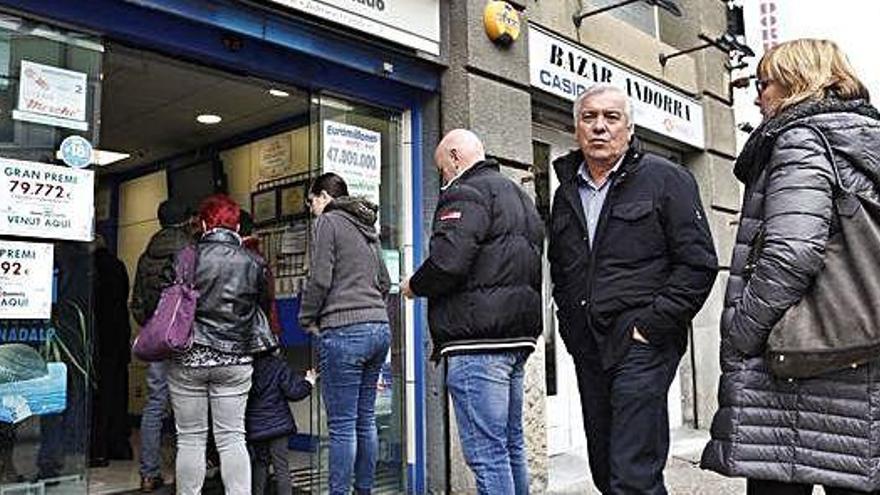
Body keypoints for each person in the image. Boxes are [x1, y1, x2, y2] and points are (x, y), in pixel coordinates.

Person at [700, 39, 880, 495]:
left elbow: (791, 252)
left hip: (798, 364)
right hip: (862, 349)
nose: (757, 96)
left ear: (797, 82)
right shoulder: (864, 140)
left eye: (763, 83)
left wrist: (741, 334)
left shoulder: (802, 139)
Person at [548, 84, 717, 494]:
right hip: (589, 347)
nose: (600, 127)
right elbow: (562, 269)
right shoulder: (566, 192)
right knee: (605, 469)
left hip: (642, 345)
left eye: (611, 118)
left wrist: (651, 328)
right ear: (576, 129)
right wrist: (570, 329)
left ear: (629, 128)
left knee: (633, 473)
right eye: (589, 118)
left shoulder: (666, 179)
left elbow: (698, 264)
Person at [401, 129, 545, 495]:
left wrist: (413, 286)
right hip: (515, 338)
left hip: (477, 342)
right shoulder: (519, 197)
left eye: (441, 170)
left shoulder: (466, 191)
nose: (443, 179)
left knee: (486, 455)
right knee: (509, 447)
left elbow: (449, 262)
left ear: (454, 157)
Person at [167, 194, 277, 495]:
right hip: (235, 358)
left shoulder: (186, 256)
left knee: (190, 439)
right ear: (237, 225)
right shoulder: (253, 261)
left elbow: (164, 304)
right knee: (232, 438)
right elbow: (263, 307)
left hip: (189, 357)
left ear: (203, 224)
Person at [299, 172, 391, 495]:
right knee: (365, 420)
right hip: (379, 329)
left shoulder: (329, 221)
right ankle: (363, 491)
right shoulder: (368, 227)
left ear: (323, 196)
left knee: (341, 427)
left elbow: (320, 278)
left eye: (311, 201)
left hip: (345, 331)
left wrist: (307, 317)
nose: (311, 208)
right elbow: (384, 281)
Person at [129, 199, 194, 492]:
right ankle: (186, 473)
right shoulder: (189, 249)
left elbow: (137, 301)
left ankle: (148, 474)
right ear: (185, 220)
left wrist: (151, 326)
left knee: (155, 404)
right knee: (186, 405)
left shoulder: (146, 255)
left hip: (156, 339)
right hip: (182, 337)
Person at [246, 351, 316, 495]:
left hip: (256, 427)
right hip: (279, 426)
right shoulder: (278, 365)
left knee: (260, 463)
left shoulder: (245, 367)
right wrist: (309, 382)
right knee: (281, 466)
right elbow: (294, 392)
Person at [90, 235, 133, 466]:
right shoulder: (117, 266)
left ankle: (98, 449)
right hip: (118, 336)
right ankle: (119, 445)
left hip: (98, 338)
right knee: (117, 392)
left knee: (98, 397)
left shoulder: (88, 268)